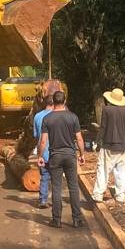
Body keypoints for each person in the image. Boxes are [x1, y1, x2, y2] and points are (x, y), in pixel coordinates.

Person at [38, 90, 85, 228]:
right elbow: (79, 138)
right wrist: (82, 154)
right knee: (73, 188)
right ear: (64, 101)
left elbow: (43, 141)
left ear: (53, 102)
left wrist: (40, 156)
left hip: (55, 156)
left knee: (57, 188)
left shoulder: (47, 119)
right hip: (70, 155)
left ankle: (56, 220)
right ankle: (77, 219)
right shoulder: (73, 117)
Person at [92, 87, 125, 204]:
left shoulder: (106, 110)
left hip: (108, 145)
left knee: (103, 169)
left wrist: (97, 142)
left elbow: (103, 127)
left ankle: (98, 194)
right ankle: (120, 196)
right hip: (122, 146)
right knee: (121, 172)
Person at [31, 92, 55, 210]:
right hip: (56, 151)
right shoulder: (58, 115)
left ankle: (43, 199)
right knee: (56, 177)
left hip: (43, 151)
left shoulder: (37, 116)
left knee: (44, 176)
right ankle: (56, 200)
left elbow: (36, 135)